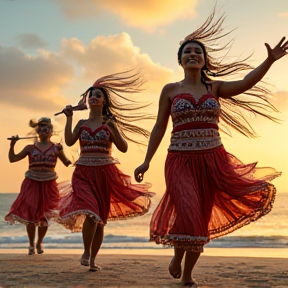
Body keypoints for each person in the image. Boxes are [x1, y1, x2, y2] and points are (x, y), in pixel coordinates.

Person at [134, 8, 286, 287]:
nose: (193, 55)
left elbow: (244, 83)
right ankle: (177, 259)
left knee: (199, 217)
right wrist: (146, 161)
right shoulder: (169, 90)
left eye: (198, 52)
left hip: (213, 160)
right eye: (187, 52)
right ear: (179, 60)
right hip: (179, 160)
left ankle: (186, 272)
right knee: (188, 209)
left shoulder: (214, 88)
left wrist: (269, 62)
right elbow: (159, 127)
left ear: (204, 61)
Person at [57, 70, 154, 272]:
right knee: (91, 211)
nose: (93, 97)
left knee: (100, 220)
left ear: (103, 101)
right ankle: (85, 252)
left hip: (105, 174)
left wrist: (113, 128)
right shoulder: (82, 123)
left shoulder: (109, 123)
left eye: (98, 95)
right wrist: (69, 118)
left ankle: (92, 260)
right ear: (87, 100)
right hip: (83, 173)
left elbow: (124, 147)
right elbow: (68, 141)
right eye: (91, 95)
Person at [5, 117, 72, 255]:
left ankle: (39, 242)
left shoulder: (56, 148)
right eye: (41, 128)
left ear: (51, 131)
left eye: (47, 128)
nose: (44, 130)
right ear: (37, 131)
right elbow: (12, 159)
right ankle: (31, 245)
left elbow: (67, 162)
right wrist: (12, 145)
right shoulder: (30, 148)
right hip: (32, 182)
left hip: (49, 183)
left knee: (45, 216)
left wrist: (63, 150)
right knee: (31, 215)